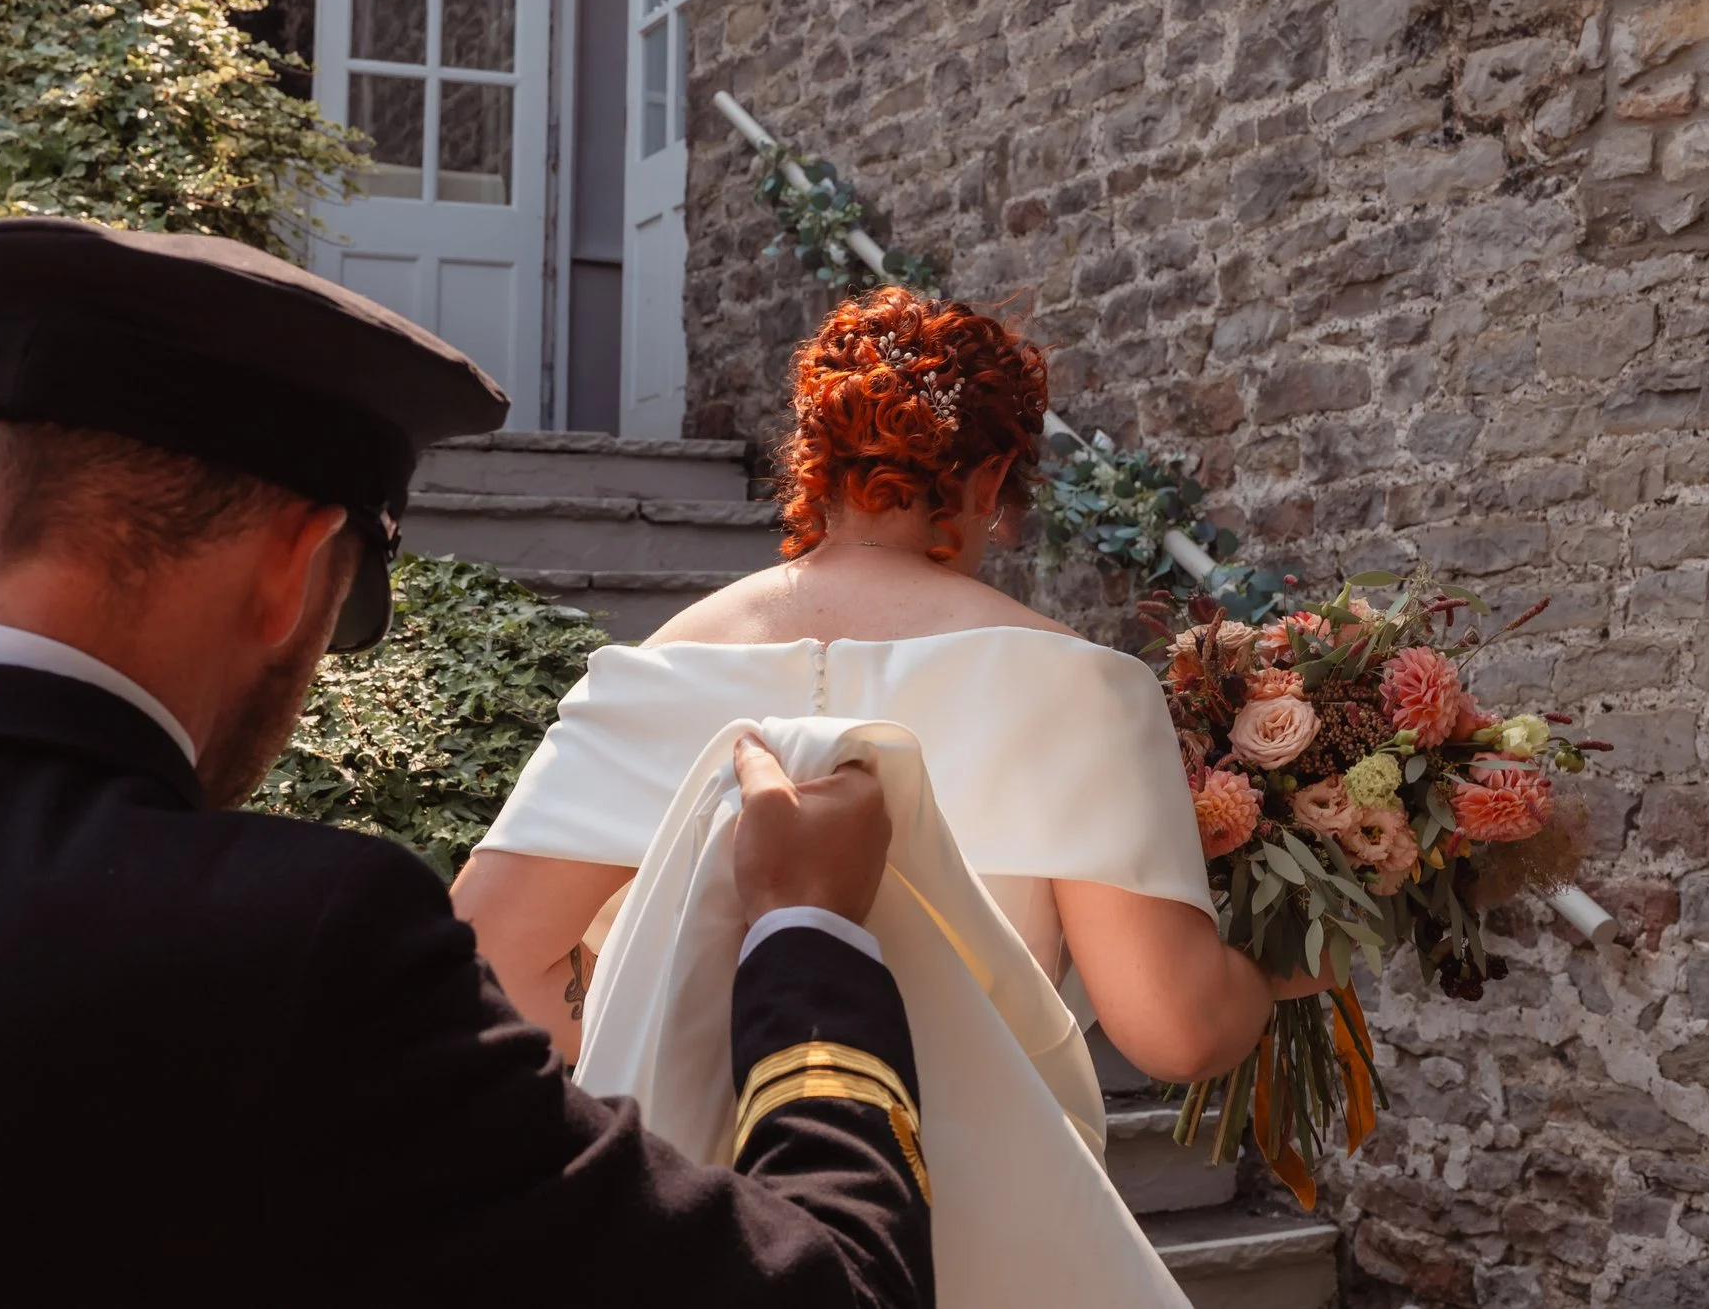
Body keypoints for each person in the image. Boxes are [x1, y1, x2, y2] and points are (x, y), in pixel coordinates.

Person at [0, 217, 932, 1308]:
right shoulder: (299, 949)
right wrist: (807, 935)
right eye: (352, 609)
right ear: (297, 567)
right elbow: (834, 1290)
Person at [455, 289, 1317, 1298]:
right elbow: (1173, 1026)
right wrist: (1293, 969)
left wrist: (660, 1041)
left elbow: (491, 955)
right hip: (978, 1221)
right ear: (993, 477)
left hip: (695, 1227)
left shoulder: (649, 673)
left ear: (813, 460)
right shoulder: (1078, 683)